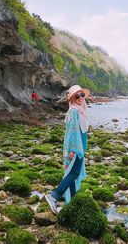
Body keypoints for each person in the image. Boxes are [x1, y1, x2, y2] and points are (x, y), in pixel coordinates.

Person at [45, 85, 90, 214]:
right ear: (72, 99)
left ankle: (72, 201)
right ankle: (54, 196)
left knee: (73, 174)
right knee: (74, 174)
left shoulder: (81, 110)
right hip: (75, 148)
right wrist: (73, 150)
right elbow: (72, 131)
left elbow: (82, 132)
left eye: (82, 95)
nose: (80, 98)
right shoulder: (74, 111)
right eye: (77, 96)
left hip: (79, 147)